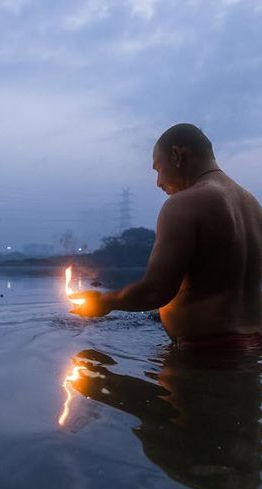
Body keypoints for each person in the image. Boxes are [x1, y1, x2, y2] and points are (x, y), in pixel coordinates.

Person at [71, 123, 262, 349]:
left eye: (158, 169)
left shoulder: (183, 204)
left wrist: (104, 302)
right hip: (253, 345)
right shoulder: (253, 206)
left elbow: (155, 291)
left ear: (177, 155)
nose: (158, 182)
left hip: (206, 355)